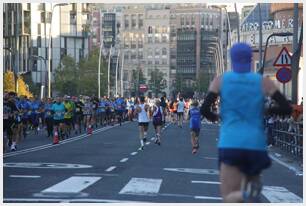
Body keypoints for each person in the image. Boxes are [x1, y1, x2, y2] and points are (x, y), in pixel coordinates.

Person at [201, 43, 292, 203]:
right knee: (250, 192)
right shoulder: (262, 82)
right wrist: (265, 111)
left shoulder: (221, 81)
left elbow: (204, 110)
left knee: (229, 196)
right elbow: (286, 108)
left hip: (230, 142)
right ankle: (251, 193)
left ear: (232, 58)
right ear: (250, 59)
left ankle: (246, 195)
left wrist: (216, 117)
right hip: (255, 144)